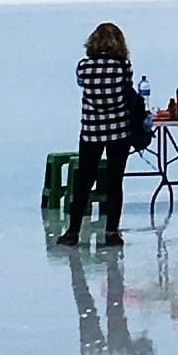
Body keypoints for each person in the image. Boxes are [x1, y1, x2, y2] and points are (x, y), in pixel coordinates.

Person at [61, 18, 136, 245]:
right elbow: (127, 90)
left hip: (92, 131)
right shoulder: (123, 67)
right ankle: (112, 232)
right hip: (119, 131)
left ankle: (73, 231)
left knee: (84, 181)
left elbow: (82, 85)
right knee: (115, 182)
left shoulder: (83, 67)